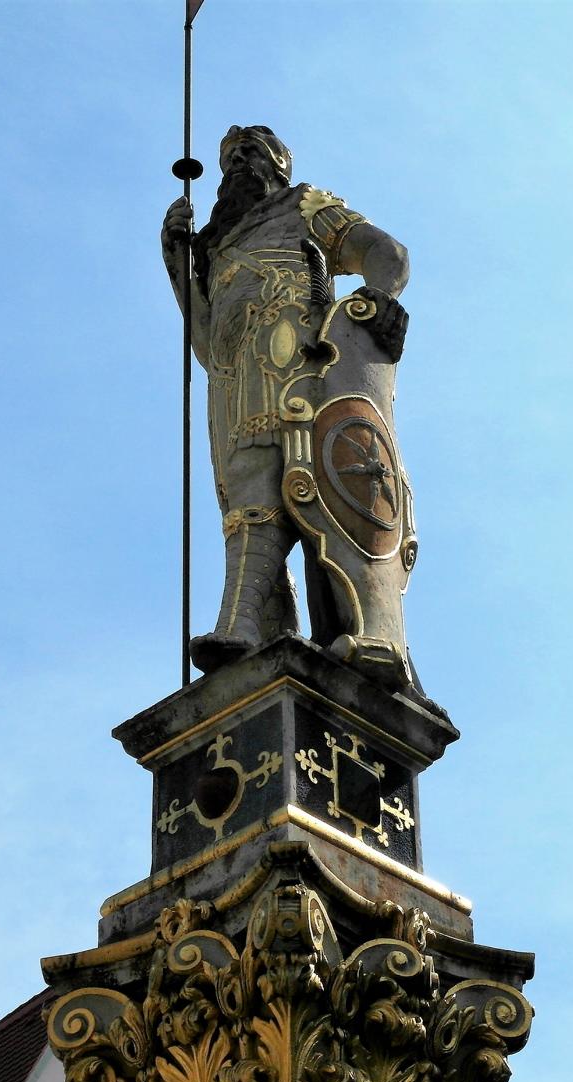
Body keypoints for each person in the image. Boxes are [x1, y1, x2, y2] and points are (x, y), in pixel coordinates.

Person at [162, 125, 417, 686]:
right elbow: (205, 342)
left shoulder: (304, 206)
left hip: (307, 366)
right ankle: (245, 625)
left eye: (252, 154)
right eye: (230, 160)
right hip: (240, 381)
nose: (238, 167)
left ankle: (367, 627)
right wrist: (179, 260)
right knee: (250, 490)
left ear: (278, 164)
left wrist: (376, 298)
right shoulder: (214, 247)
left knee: (313, 481)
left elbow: (385, 252)